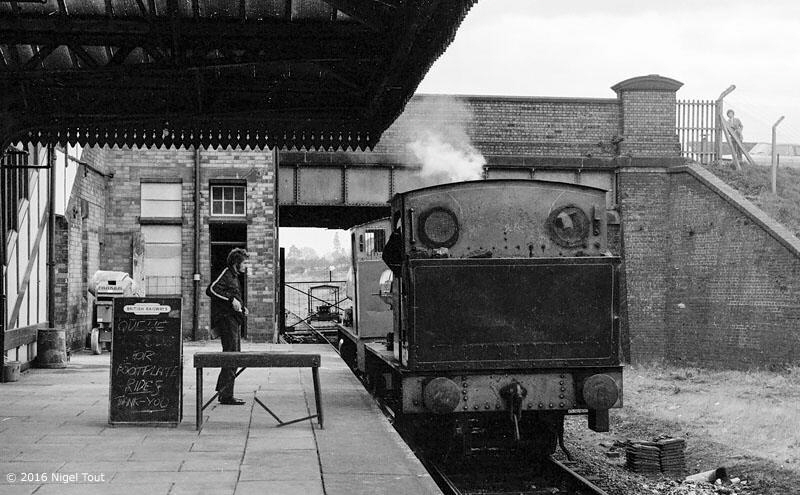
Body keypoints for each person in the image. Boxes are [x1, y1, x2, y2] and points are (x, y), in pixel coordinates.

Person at [206, 248, 249, 405]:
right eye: (244, 263)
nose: (246, 266)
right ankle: (225, 395)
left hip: (233, 320)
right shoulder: (226, 273)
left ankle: (224, 392)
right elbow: (210, 289)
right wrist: (231, 299)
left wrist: (241, 307)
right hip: (227, 321)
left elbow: (232, 297)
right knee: (232, 355)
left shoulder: (233, 276)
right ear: (236, 263)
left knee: (233, 355)